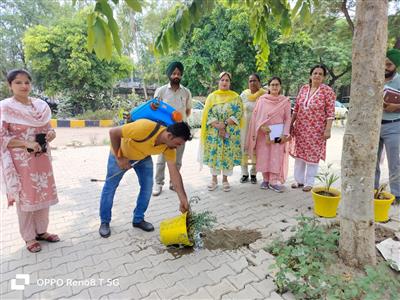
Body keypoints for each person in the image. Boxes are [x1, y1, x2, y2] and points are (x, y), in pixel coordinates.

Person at [98, 119, 192, 238]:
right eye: (178, 144)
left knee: (147, 187)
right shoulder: (144, 127)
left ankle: (138, 219)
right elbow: (113, 132)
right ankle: (105, 222)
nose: (178, 147)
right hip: (121, 153)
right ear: (169, 136)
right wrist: (119, 158)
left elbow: (174, 173)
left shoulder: (169, 148)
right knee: (110, 187)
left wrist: (183, 199)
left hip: (142, 158)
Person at [0, 69, 59, 253]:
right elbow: (2, 137)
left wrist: (50, 135)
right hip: (21, 162)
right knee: (26, 198)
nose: (24, 86)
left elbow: (50, 129)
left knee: (43, 194)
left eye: (27, 82)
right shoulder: (5, 107)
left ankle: (41, 231)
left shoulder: (40, 105)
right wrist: (26, 143)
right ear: (10, 85)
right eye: (18, 82)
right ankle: (29, 237)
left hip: (42, 158)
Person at [289, 65, 336, 192]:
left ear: (324, 77)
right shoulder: (304, 88)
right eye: (315, 73)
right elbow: (297, 108)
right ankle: (298, 180)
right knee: (300, 155)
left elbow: (331, 113)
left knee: (313, 155)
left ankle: (309, 182)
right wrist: (290, 124)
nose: (317, 76)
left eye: (320, 74)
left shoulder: (327, 91)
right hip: (301, 128)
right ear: (310, 75)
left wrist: (328, 129)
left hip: (317, 130)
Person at [152, 61, 192, 196]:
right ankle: (158, 183)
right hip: (166, 131)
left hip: (181, 132)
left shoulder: (186, 92)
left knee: (178, 159)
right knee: (161, 159)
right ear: (169, 75)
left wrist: (182, 123)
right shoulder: (161, 91)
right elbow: (155, 109)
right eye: (174, 73)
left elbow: (187, 111)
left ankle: (173, 183)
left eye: (179, 74)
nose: (176, 76)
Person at [199, 71, 243, 192]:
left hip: (230, 131)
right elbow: (207, 113)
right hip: (214, 132)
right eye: (222, 80)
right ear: (219, 82)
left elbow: (238, 113)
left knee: (227, 155)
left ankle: (225, 180)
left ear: (230, 82)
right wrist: (217, 125)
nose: (224, 82)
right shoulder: (212, 97)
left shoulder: (236, 97)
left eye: (227, 80)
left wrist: (224, 124)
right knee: (215, 154)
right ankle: (214, 179)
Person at [246, 77, 291, 193]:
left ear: (280, 87)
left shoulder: (285, 101)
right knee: (264, 156)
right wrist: (261, 127)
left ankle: (273, 181)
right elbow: (256, 117)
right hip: (264, 134)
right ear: (269, 87)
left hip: (278, 133)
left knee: (276, 157)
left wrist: (284, 134)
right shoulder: (262, 100)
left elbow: (287, 119)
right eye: (272, 85)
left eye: (277, 85)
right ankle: (265, 180)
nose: (275, 87)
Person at [375, 48, 400, 202]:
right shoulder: (375, 79)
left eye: (389, 65)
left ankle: (397, 194)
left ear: (396, 66)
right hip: (375, 126)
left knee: (394, 162)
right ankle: (372, 190)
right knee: (372, 161)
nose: (385, 67)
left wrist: (396, 107)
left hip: (393, 126)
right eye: (383, 64)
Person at [239, 74, 266, 184]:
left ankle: (254, 173)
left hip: (258, 127)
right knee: (244, 148)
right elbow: (238, 109)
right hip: (244, 126)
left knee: (256, 149)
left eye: (255, 81)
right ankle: (244, 173)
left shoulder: (264, 95)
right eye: (250, 81)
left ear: (259, 82)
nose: (252, 83)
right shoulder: (244, 95)